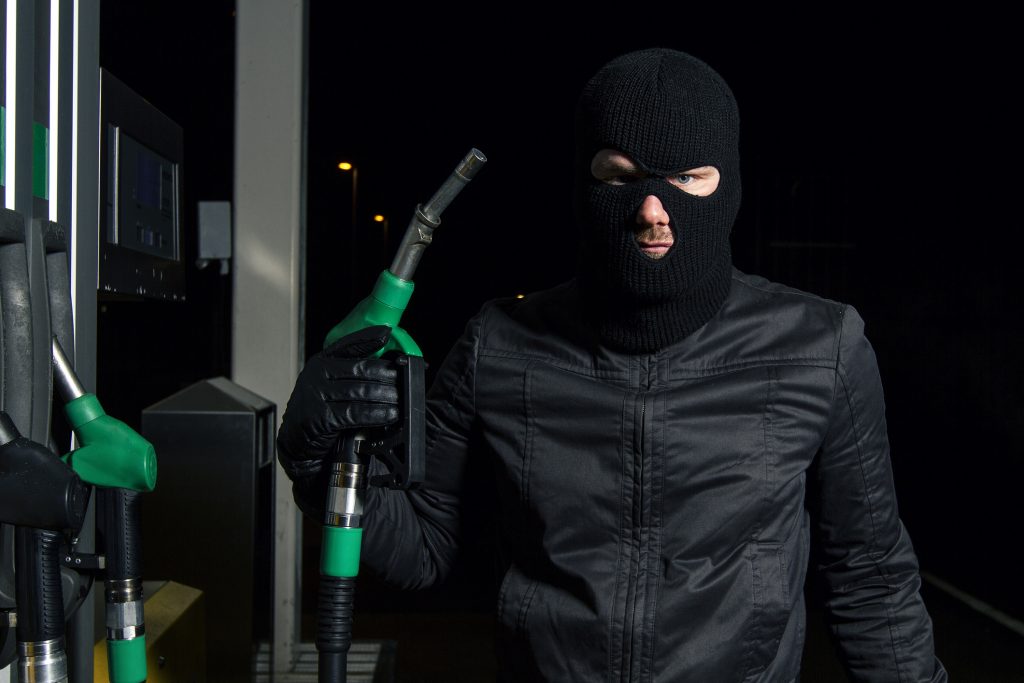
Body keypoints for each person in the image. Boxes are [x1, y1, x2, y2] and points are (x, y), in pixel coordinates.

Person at [278, 48, 947, 682]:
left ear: (728, 181)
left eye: (687, 176)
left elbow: (870, 574)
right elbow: (424, 546)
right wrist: (319, 465)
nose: (653, 209)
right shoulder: (500, 344)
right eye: (621, 176)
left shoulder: (821, 347)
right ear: (582, 179)